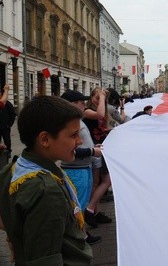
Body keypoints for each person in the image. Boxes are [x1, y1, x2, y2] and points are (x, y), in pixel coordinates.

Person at [0, 95, 93, 265]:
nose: (80, 141)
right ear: (45, 139)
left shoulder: (14, 168)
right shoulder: (47, 191)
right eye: (73, 135)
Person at [61, 90, 104, 245]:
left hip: (83, 168)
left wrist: (94, 146)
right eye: (81, 102)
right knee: (77, 205)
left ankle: (83, 234)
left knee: (81, 204)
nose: (84, 104)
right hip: (75, 171)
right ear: (72, 104)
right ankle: (79, 237)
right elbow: (70, 150)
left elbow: (81, 143)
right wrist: (93, 151)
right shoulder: (67, 123)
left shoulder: (76, 120)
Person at [83, 88, 113, 228]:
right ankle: (90, 210)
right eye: (96, 98)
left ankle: (94, 211)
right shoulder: (86, 111)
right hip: (93, 150)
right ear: (91, 98)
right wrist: (102, 96)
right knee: (102, 181)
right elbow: (99, 114)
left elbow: (102, 127)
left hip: (100, 149)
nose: (99, 100)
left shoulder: (102, 111)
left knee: (99, 182)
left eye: (101, 98)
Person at [0, 90, 16, 161]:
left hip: (5, 126)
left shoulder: (7, 104)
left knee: (7, 140)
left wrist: (9, 124)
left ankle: (8, 151)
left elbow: (13, 114)